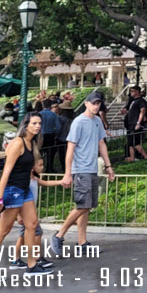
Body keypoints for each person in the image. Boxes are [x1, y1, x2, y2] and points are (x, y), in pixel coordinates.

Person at [0, 113, 51, 282]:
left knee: (32, 224)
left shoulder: (31, 143)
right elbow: (6, 171)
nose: (37, 126)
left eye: (39, 123)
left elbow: (27, 169)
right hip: (12, 190)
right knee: (3, 231)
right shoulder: (18, 143)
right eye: (34, 123)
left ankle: (31, 265)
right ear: (25, 125)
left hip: (24, 189)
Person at [51, 91, 116, 257]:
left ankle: (82, 242)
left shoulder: (97, 122)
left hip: (92, 168)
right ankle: (59, 235)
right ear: (86, 104)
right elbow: (70, 149)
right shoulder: (78, 122)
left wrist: (108, 166)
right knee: (83, 205)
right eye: (93, 103)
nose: (96, 106)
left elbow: (102, 144)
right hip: (81, 169)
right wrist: (68, 173)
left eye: (98, 103)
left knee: (86, 207)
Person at [8, 153, 63, 268]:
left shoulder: (34, 179)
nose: (42, 167)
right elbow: (20, 197)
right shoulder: (26, 181)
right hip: (25, 214)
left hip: (28, 214)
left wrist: (61, 182)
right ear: (32, 167)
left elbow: (46, 183)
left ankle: (16, 259)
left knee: (22, 237)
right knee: (37, 232)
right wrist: (19, 215)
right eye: (40, 165)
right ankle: (37, 257)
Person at [122, 85, 147, 161]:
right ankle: (132, 157)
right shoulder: (133, 101)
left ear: (137, 91)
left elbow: (143, 110)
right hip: (131, 123)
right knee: (131, 142)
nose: (130, 93)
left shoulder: (140, 101)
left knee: (136, 142)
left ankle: (146, 156)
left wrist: (138, 122)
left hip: (135, 124)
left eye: (132, 91)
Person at [39, 100, 61, 173]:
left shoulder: (39, 114)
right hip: (50, 136)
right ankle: (49, 168)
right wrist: (55, 134)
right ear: (50, 105)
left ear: (42, 105)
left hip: (41, 135)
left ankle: (39, 168)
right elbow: (58, 127)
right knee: (50, 153)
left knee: (39, 153)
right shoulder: (54, 115)